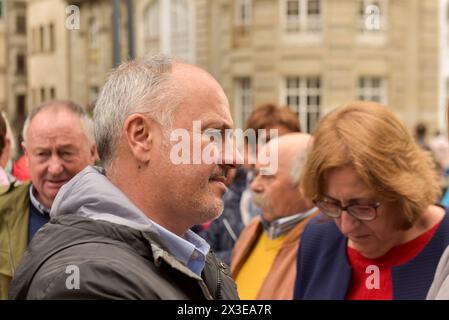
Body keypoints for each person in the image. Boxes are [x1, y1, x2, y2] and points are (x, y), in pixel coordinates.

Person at [9, 55, 241, 300]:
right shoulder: (89, 285)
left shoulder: (183, 254)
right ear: (141, 137)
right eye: (214, 134)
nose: (234, 158)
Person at [293, 101, 449, 300]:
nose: (346, 227)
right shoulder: (318, 237)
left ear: (403, 190)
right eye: (331, 204)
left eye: (361, 206)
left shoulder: (445, 242)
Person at [0, 100, 97, 300]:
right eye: (42, 154)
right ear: (26, 155)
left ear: (92, 152)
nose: (54, 167)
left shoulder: (123, 216)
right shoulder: (2, 210)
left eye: (66, 153)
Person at [199, 103, 300, 265]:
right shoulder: (223, 197)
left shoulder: (310, 201)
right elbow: (199, 258)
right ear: (249, 146)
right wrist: (250, 256)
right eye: (268, 140)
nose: (277, 149)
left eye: (284, 141)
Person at [231, 133, 318, 300]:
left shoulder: (324, 244)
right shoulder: (253, 230)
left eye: (268, 176)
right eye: (256, 174)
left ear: (307, 184)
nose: (255, 185)